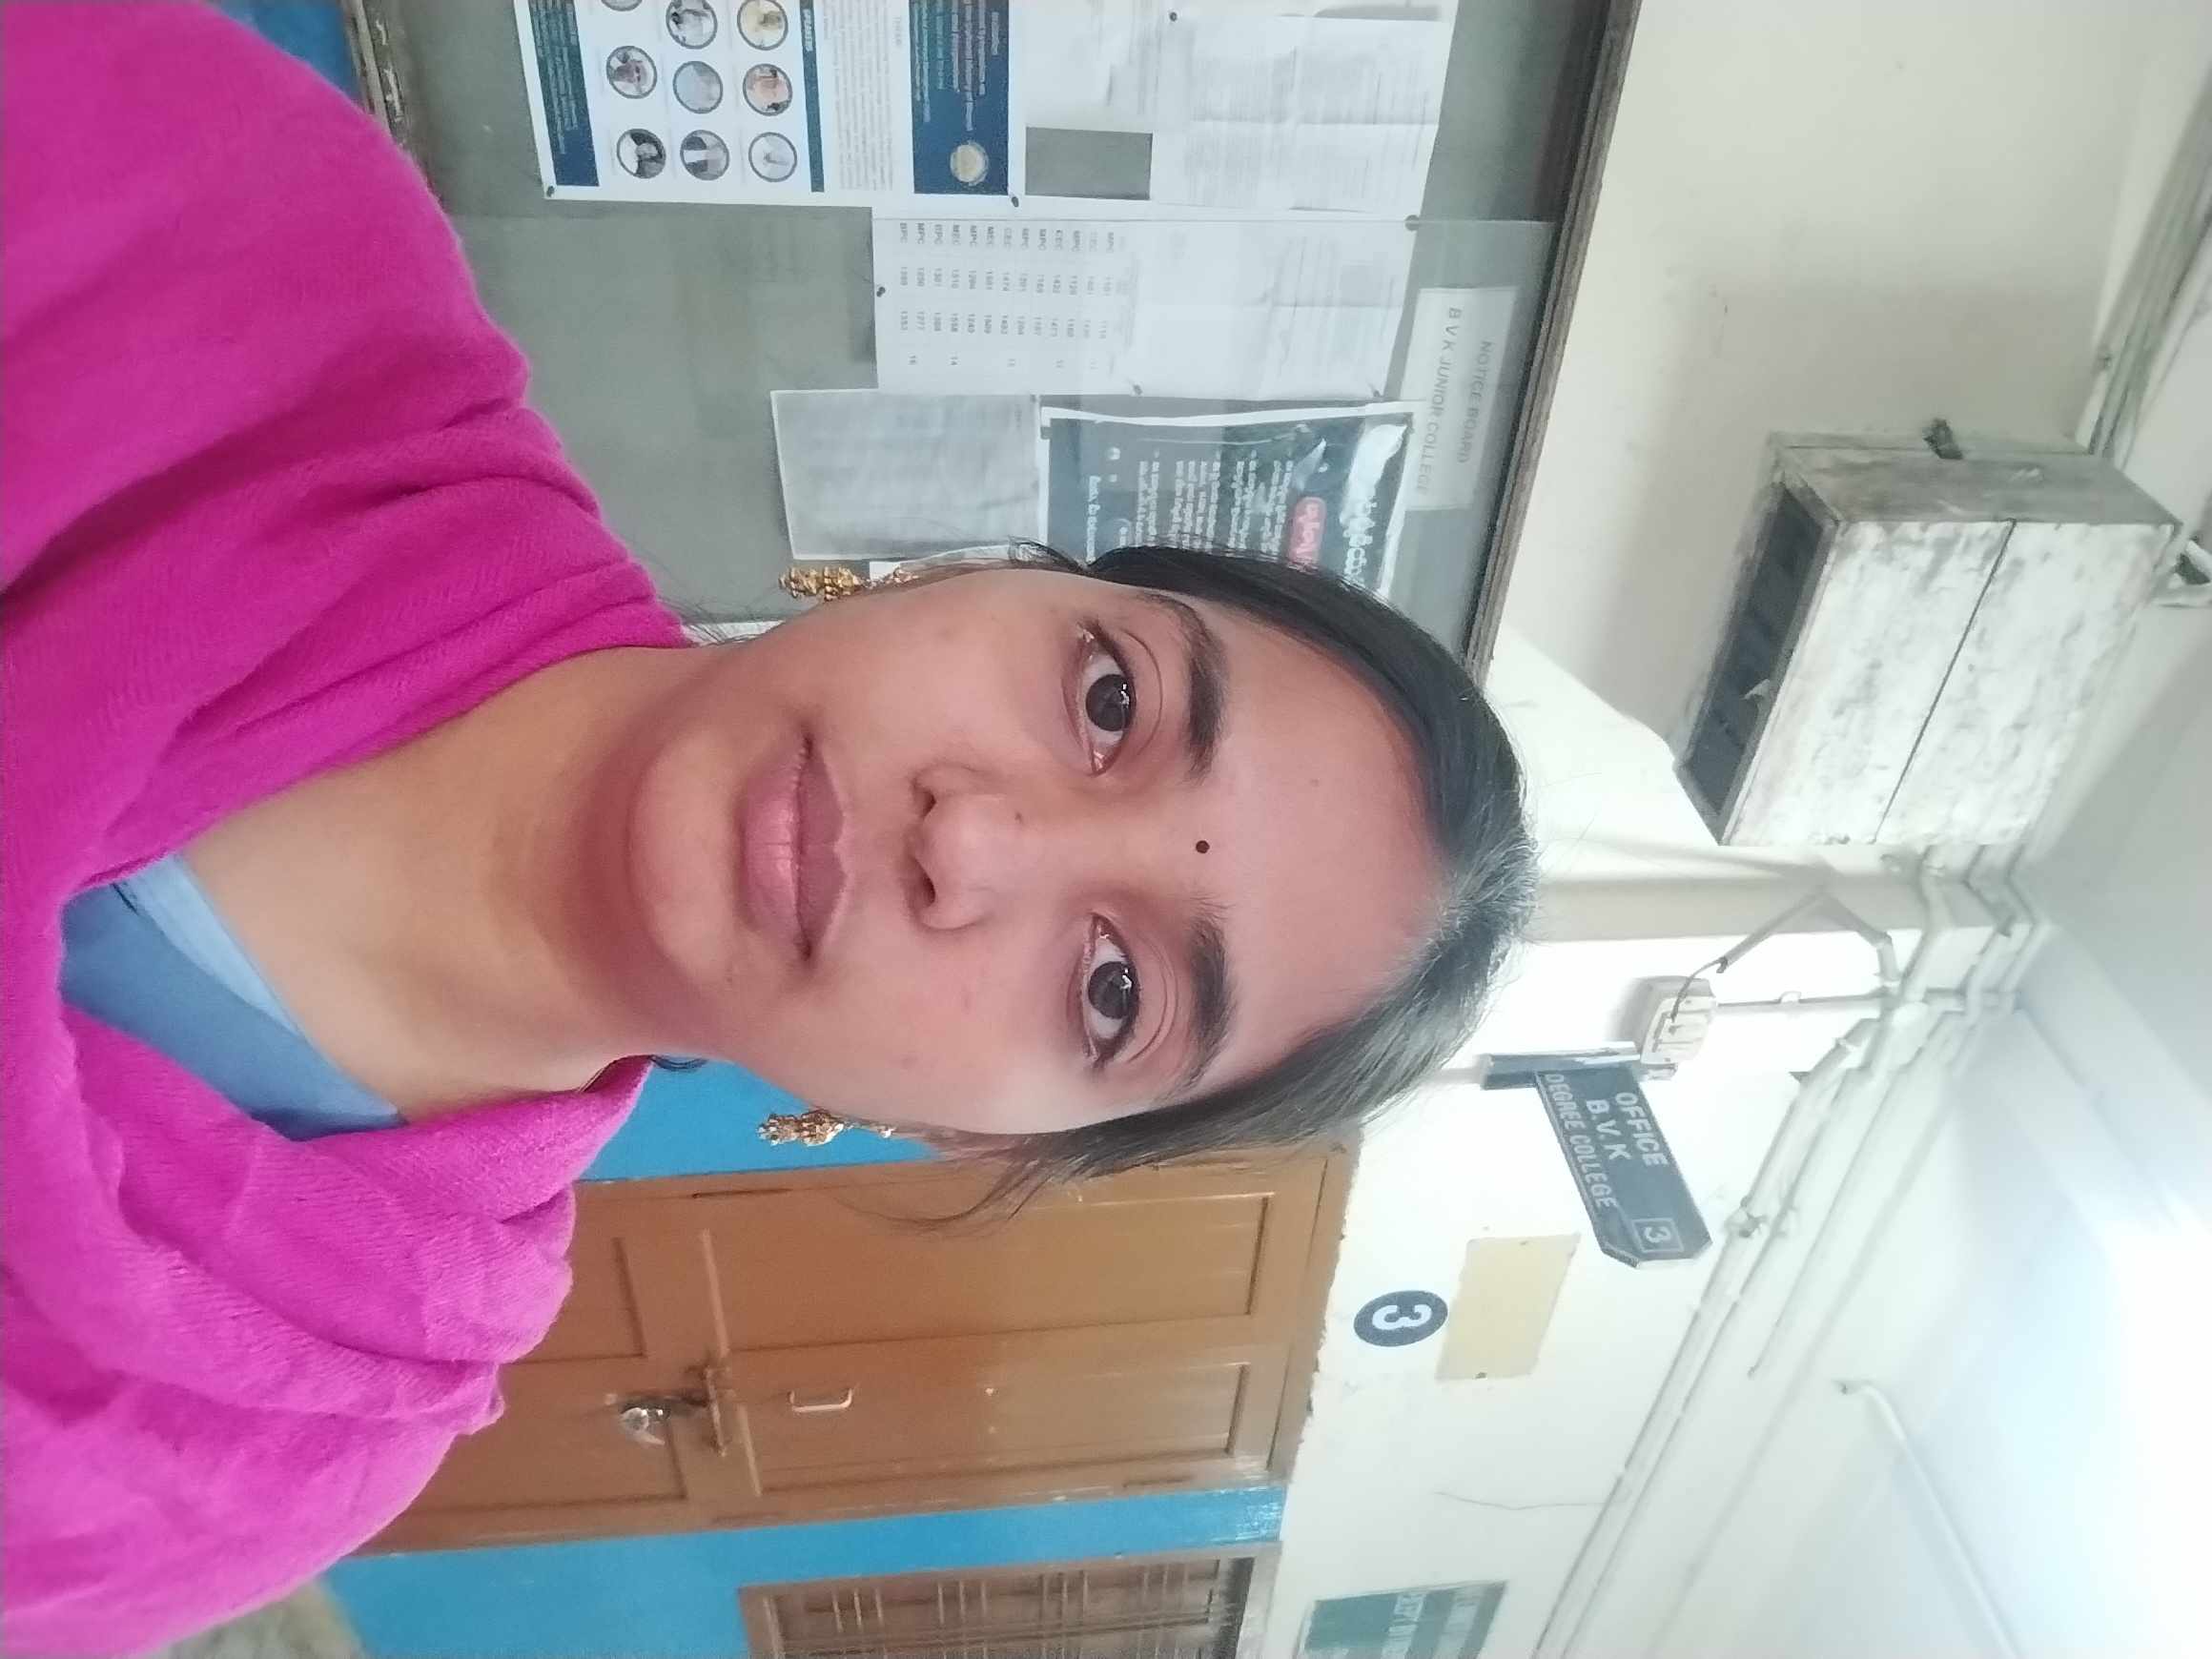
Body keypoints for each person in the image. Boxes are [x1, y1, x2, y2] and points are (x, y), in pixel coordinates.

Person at [0, 8, 1534, 1655]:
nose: (978, 844)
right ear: (973, 569)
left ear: (976, 1139)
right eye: (1109, 700)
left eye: (1114, 992)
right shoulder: (245, 239)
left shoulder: (255, 1453)